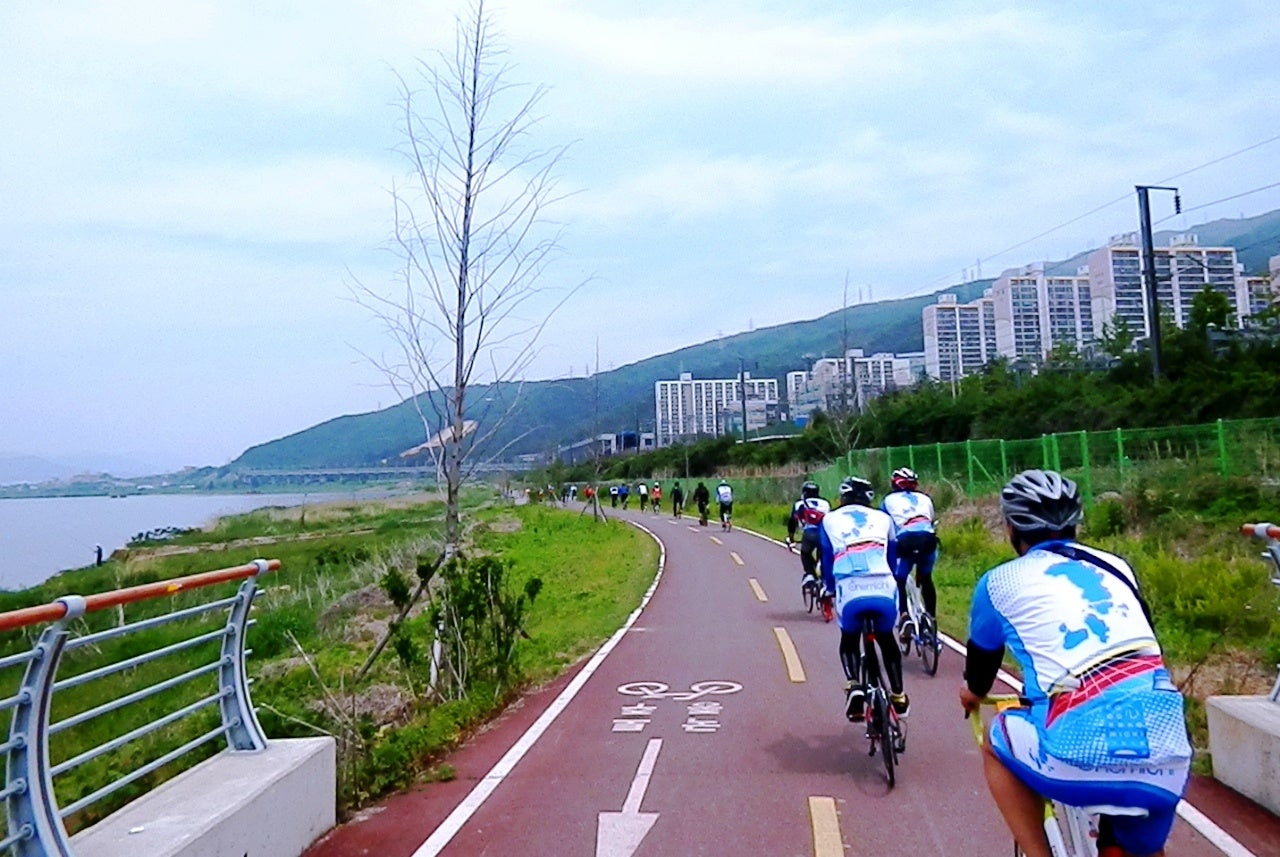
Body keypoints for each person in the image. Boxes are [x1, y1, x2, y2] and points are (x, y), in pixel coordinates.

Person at [959, 470, 1191, 857]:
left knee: (997, 741)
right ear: (1076, 523)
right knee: (1144, 849)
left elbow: (982, 667)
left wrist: (972, 693)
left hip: (1074, 752)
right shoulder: (1117, 567)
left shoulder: (998, 582)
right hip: (1166, 755)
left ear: (1011, 527)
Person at [819, 476, 909, 722]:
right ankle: (899, 695)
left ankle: (855, 685)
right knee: (887, 639)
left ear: (843, 497)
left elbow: (826, 559)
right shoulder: (884, 519)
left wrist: (829, 588)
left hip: (850, 587)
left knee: (849, 638)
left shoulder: (829, 520)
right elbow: (892, 557)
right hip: (883, 584)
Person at [880, 467, 939, 632]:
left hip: (905, 541)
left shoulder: (888, 500)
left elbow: (884, 525)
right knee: (926, 578)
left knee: (899, 579)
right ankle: (932, 618)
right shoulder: (925, 498)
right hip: (928, 539)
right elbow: (931, 519)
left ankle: (904, 615)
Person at [787, 481, 830, 591]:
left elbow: (792, 522)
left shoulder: (799, 504)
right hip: (824, 534)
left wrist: (791, 538)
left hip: (809, 533)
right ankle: (824, 580)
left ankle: (810, 574)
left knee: (805, 553)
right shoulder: (825, 503)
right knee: (823, 556)